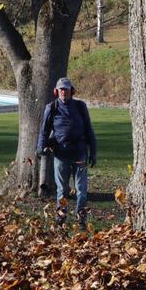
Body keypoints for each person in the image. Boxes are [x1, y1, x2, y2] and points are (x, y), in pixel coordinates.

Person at [36, 77, 96, 229]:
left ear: (72, 91)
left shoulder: (81, 106)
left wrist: (93, 151)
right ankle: (61, 216)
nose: (64, 92)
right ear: (56, 91)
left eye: (66, 89)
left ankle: (81, 219)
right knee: (62, 190)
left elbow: (89, 130)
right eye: (61, 89)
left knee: (81, 190)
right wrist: (40, 147)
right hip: (61, 154)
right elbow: (44, 131)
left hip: (80, 153)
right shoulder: (52, 107)